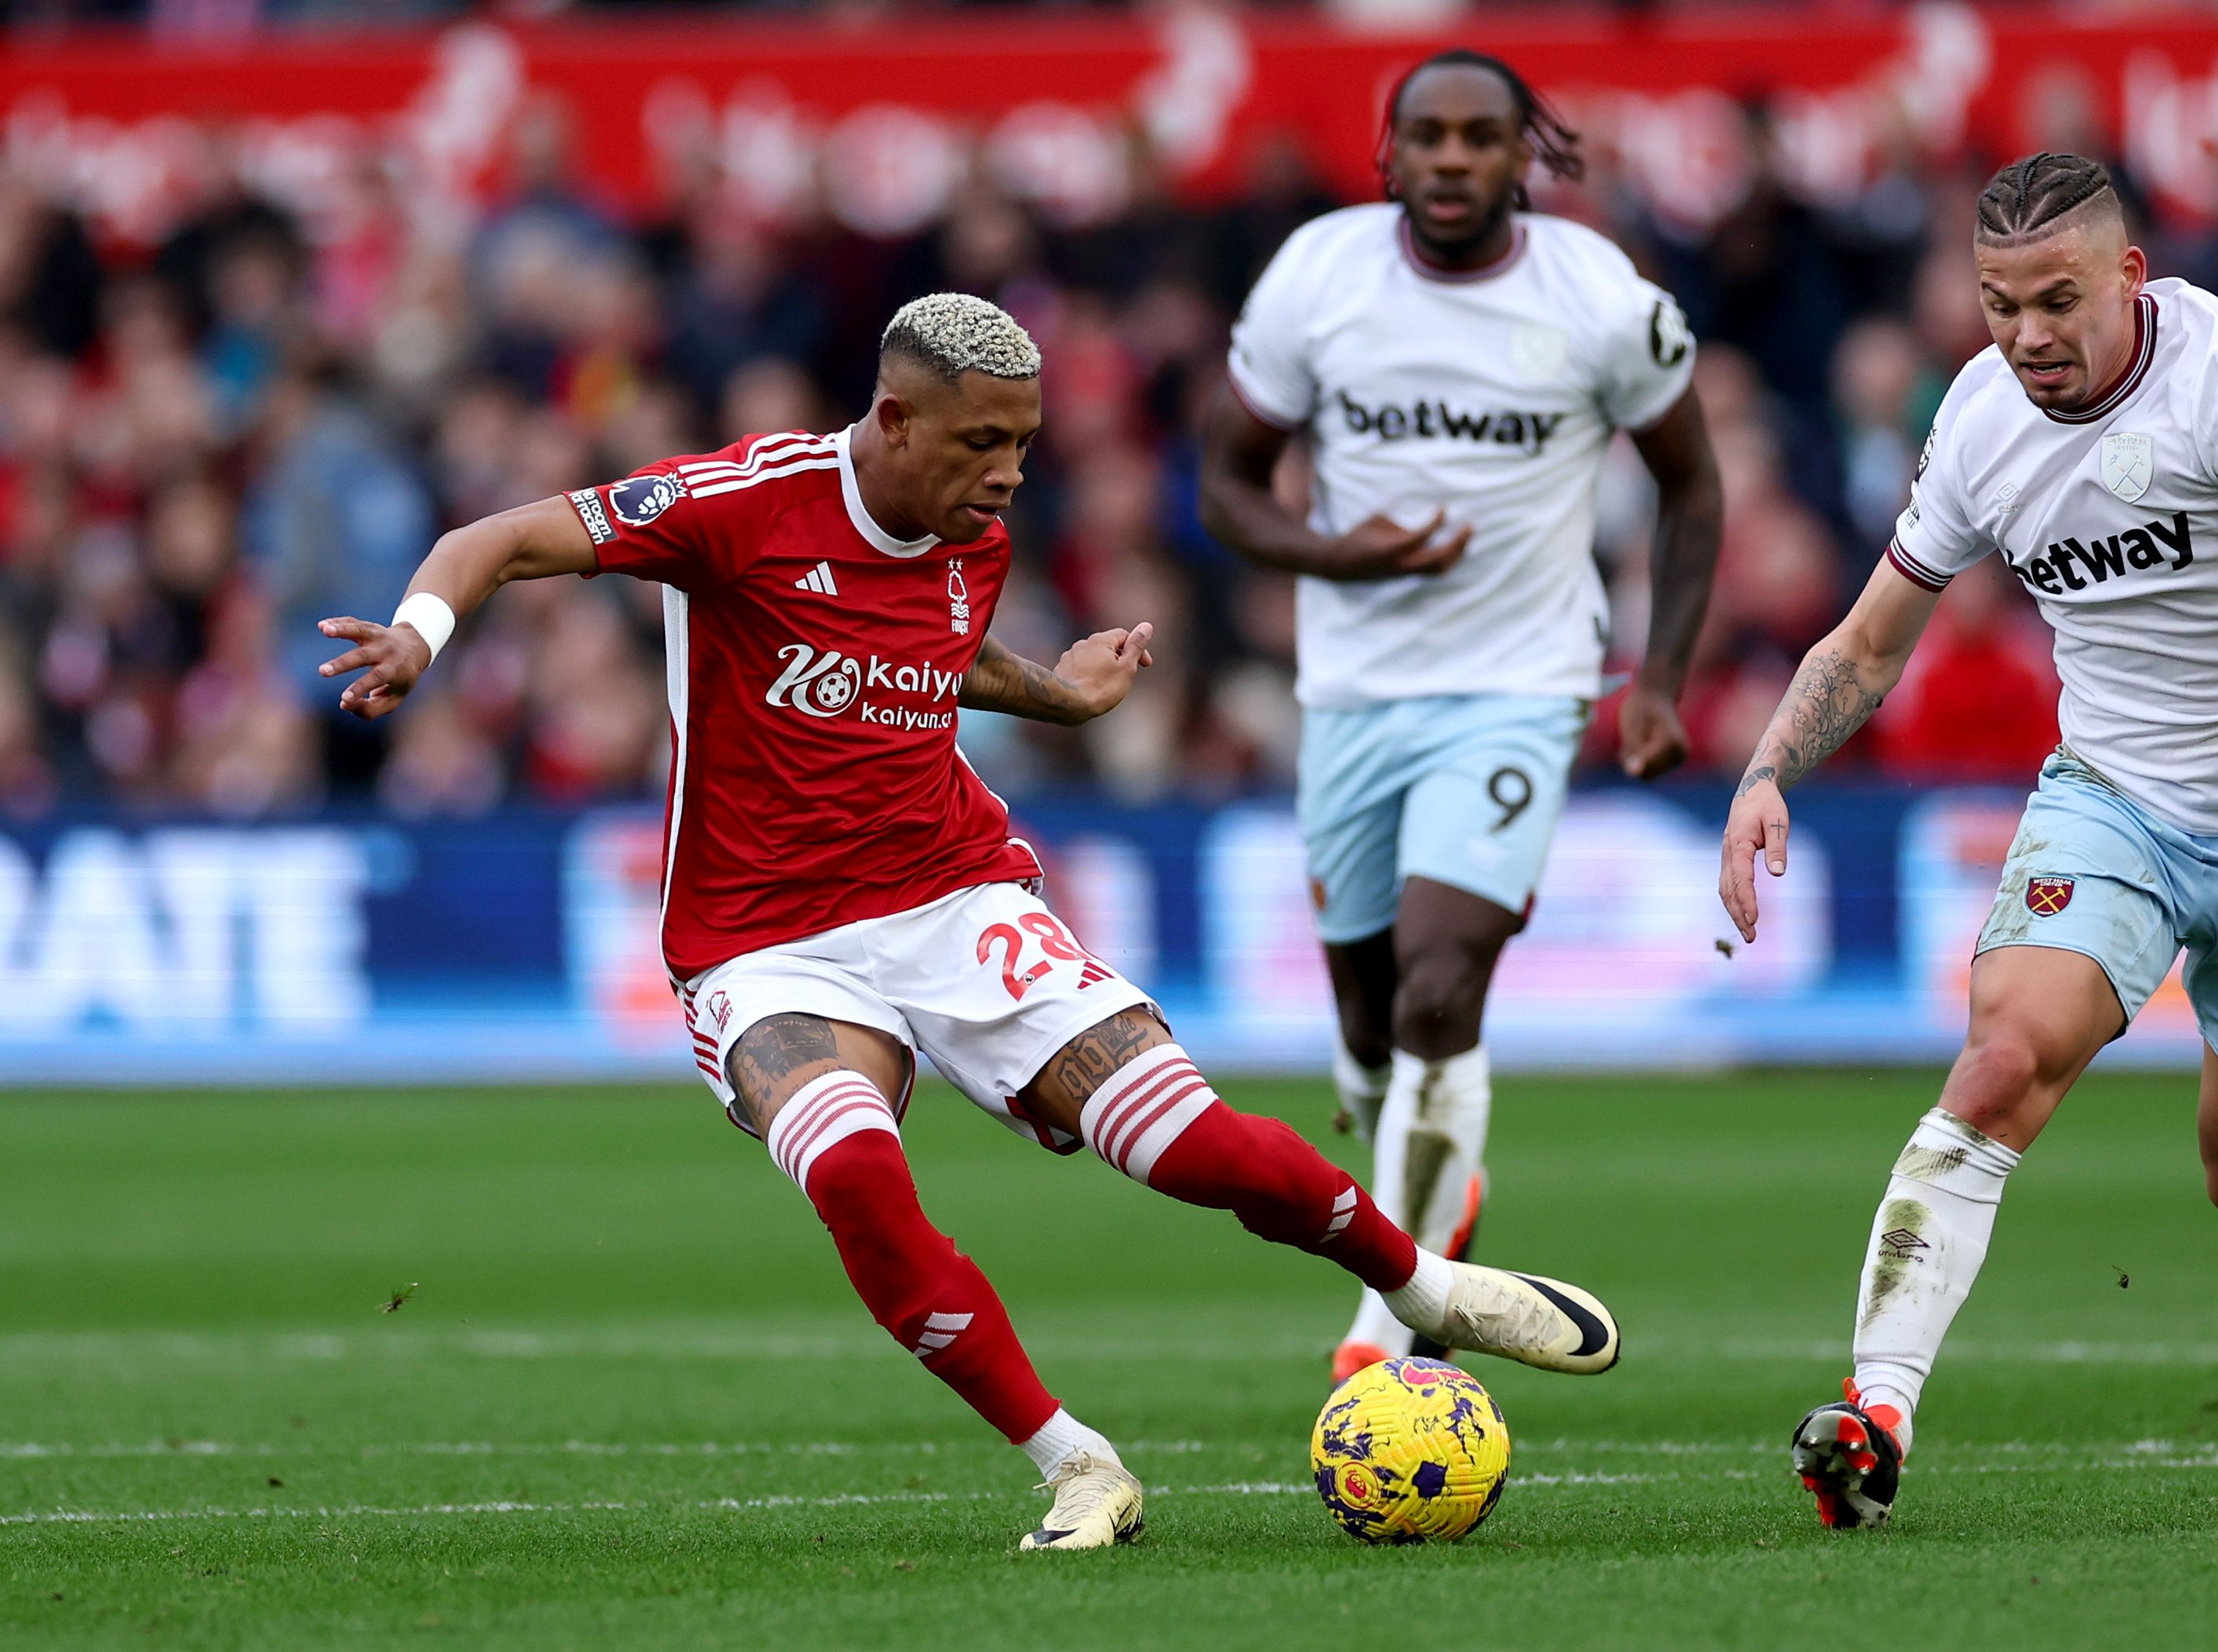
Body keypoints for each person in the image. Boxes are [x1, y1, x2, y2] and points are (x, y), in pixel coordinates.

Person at [313, 293, 1623, 1555]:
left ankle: (1427, 1290)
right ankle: (1080, 1461)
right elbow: (498, 537)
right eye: (981, 441)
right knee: (857, 1176)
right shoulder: (736, 503)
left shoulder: (970, 540)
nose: (1007, 474)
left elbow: (940, 653)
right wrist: (423, 638)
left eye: (1025, 445)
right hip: (764, 942)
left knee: (1204, 1149)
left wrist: (1062, 697)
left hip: (954, 895)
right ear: (894, 419)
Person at [1716, 155, 2218, 1530]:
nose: (2026, 335)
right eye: (1997, 305)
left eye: (2056, 301)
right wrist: (1768, 766)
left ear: (2130, 281)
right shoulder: (1977, 422)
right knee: (2000, 1056)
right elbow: (1870, 639)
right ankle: (1878, 1405)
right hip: (2116, 802)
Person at [1198, 50, 1722, 1381]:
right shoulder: (1318, 276)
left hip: (1523, 684)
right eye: (1423, 137)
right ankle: (1437, 1188)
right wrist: (1340, 556)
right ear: (1386, 155)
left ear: (1520, 156)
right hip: (1356, 693)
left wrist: (1657, 677)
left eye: (1478, 137)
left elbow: (1693, 485)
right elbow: (1224, 483)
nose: (1448, 159)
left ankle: (1394, 1312)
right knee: (1369, 1026)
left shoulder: (1601, 300)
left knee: (1441, 987)